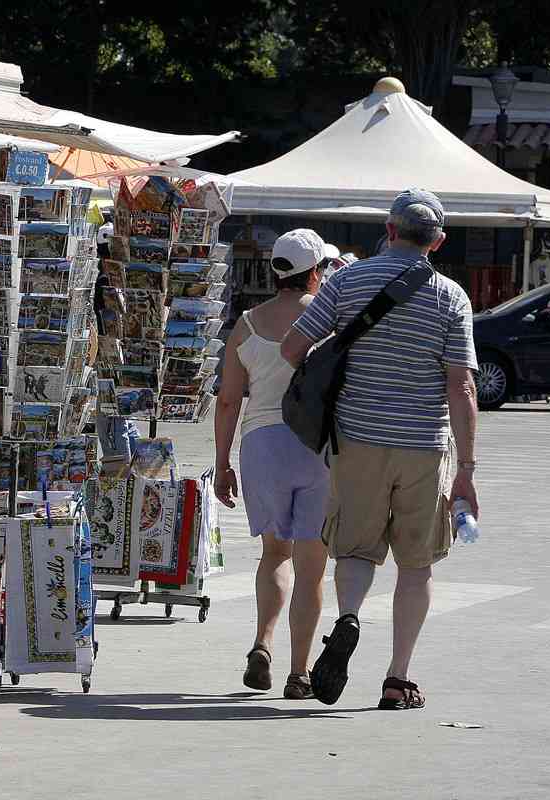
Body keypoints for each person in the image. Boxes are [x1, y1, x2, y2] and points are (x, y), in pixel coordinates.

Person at [280, 188, 479, 710]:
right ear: (437, 242)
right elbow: (461, 386)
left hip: (357, 439)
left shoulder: (345, 280)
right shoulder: (450, 296)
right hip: (424, 445)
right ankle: (398, 679)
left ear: (389, 231)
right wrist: (468, 471)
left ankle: (347, 618)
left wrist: (344, 354)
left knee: (355, 549)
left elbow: (292, 347)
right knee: (417, 564)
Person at [214, 229, 330, 700]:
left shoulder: (245, 324)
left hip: (261, 446)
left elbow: (226, 402)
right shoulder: (328, 321)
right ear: (316, 272)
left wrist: (222, 464)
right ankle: (299, 672)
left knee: (274, 554)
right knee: (312, 566)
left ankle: (263, 642)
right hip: (317, 447)